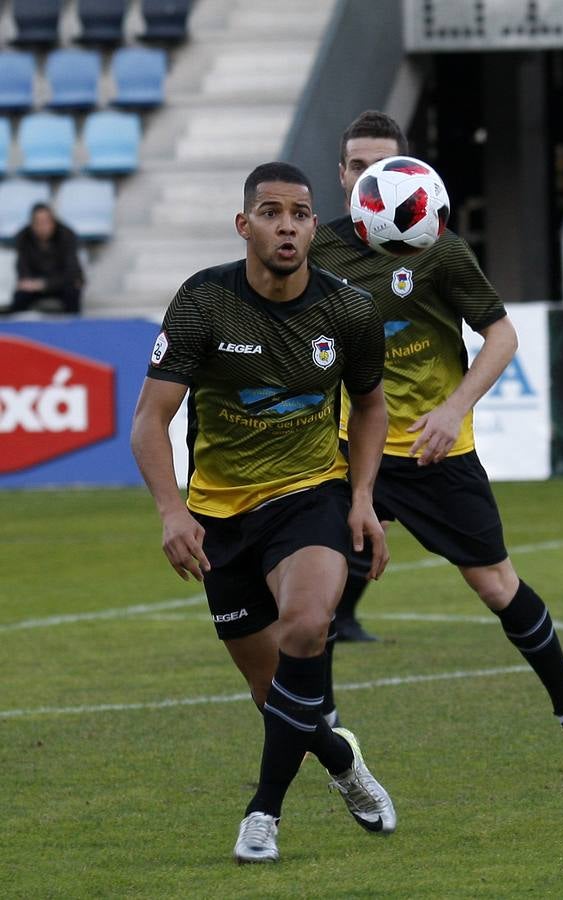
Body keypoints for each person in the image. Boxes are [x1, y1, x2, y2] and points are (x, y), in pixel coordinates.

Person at [307, 110, 563, 775]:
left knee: (498, 586)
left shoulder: (438, 247)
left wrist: (453, 407)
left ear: (412, 172)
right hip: (346, 447)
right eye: (357, 167)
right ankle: (322, 731)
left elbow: (501, 336)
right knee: (314, 593)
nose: (369, 178)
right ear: (341, 176)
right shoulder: (315, 250)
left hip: (431, 449)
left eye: (383, 165)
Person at [129, 161, 397, 863]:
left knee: (307, 627)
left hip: (312, 496)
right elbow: (150, 421)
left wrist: (363, 498)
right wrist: (171, 512)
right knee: (272, 691)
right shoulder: (203, 302)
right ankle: (340, 758)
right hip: (219, 520)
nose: (287, 224)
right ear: (244, 224)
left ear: (315, 225)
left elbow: (371, 405)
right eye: (271, 212)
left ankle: (263, 815)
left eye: (301, 213)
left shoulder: (348, 310)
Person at [7, 203, 83, 315]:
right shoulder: (23, 237)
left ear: (53, 222)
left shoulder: (67, 235)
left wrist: (44, 284)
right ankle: (18, 329)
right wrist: (29, 282)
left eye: (46, 222)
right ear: (32, 224)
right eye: (38, 223)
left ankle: (74, 327)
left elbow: (72, 272)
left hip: (60, 284)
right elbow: (22, 267)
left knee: (73, 290)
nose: (43, 227)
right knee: (20, 295)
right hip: (33, 286)